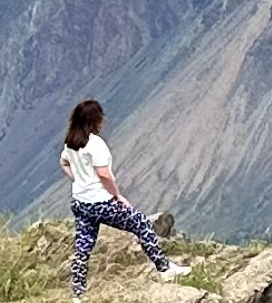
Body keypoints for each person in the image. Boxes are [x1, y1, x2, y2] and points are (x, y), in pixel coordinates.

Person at [62, 98, 187, 292]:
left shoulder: (71, 143)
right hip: (101, 201)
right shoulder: (95, 144)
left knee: (83, 245)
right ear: (95, 120)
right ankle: (164, 268)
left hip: (80, 203)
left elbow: (63, 162)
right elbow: (104, 174)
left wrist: (78, 180)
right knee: (142, 224)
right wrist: (117, 195)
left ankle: (78, 292)